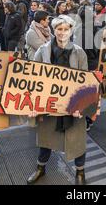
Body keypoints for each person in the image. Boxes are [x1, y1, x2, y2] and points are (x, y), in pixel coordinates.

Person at [27, 15, 89, 185]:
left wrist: (81, 105)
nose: (62, 32)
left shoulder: (79, 52)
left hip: (73, 106)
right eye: (59, 29)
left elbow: (86, 81)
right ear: (54, 31)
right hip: (49, 105)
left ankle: (80, 172)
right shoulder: (43, 51)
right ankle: (40, 168)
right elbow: (33, 76)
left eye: (66, 29)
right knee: (46, 138)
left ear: (71, 30)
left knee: (77, 139)